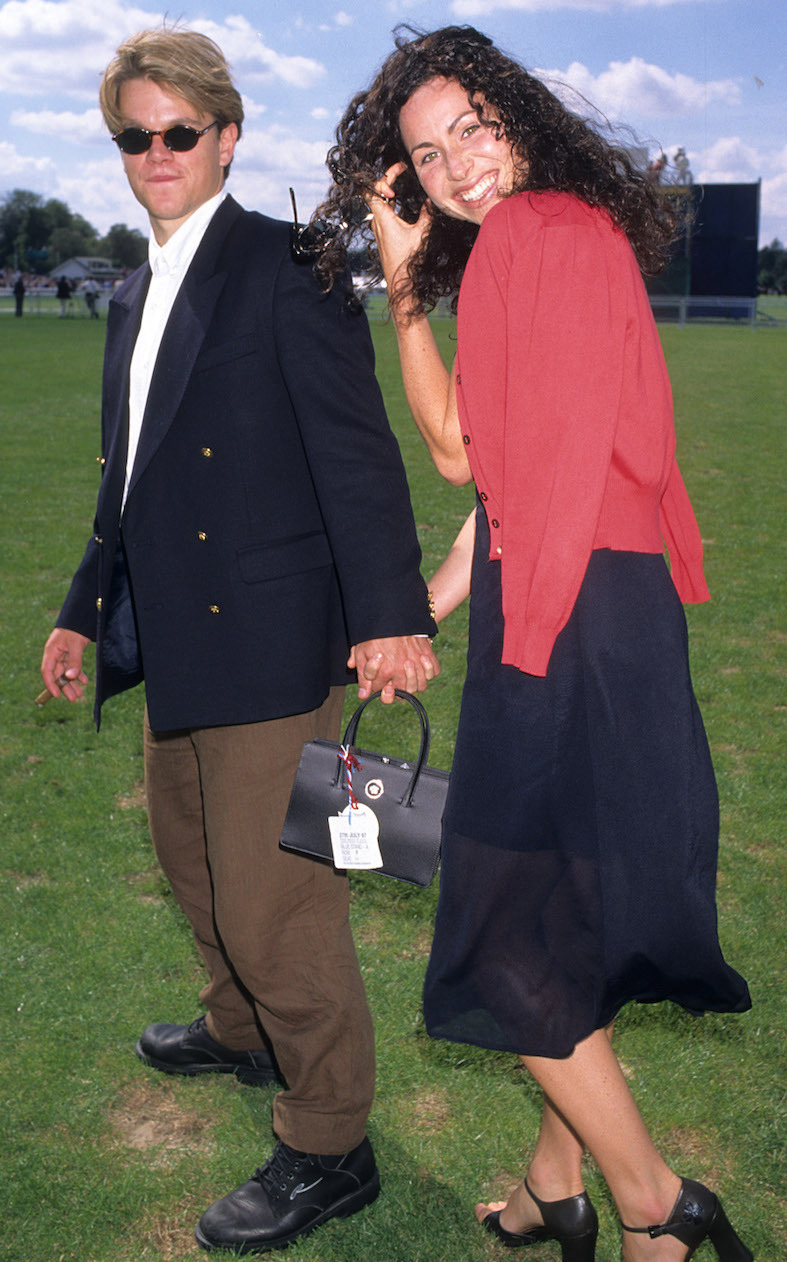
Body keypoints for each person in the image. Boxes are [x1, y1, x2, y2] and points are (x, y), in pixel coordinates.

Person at [317, 25, 753, 1262]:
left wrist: (400, 284)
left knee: (510, 942)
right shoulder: (571, 231)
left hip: (567, 625)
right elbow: (511, 487)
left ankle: (657, 1206)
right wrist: (425, 608)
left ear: (518, 116)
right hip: (591, 605)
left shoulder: (532, 234)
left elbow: (460, 451)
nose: (457, 165)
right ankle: (547, 1187)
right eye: (424, 155)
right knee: (560, 912)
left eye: (472, 127)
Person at [40, 26, 439, 1256]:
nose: (152, 154)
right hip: (173, 631)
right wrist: (76, 604)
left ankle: (330, 1142)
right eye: (132, 136)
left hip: (270, 632)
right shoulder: (129, 284)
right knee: (192, 859)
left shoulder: (289, 265)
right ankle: (238, 1025)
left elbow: (357, 451)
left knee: (276, 903)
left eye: (175, 131)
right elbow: (129, 477)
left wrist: (388, 616)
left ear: (224, 135)